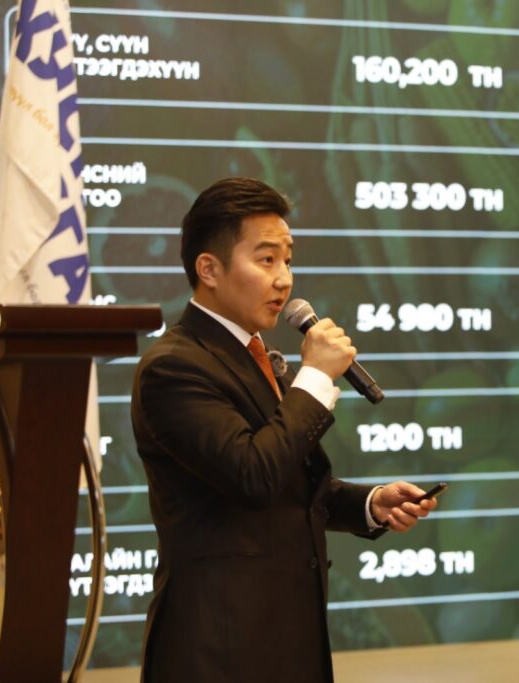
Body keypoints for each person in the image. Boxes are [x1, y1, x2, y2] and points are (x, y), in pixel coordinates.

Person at [131, 177, 437, 682]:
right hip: (218, 650)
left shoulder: (253, 356)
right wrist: (315, 376)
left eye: (288, 261)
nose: (284, 280)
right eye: (266, 259)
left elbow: (287, 484)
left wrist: (368, 503)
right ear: (209, 269)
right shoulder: (174, 367)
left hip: (287, 640)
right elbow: (252, 475)